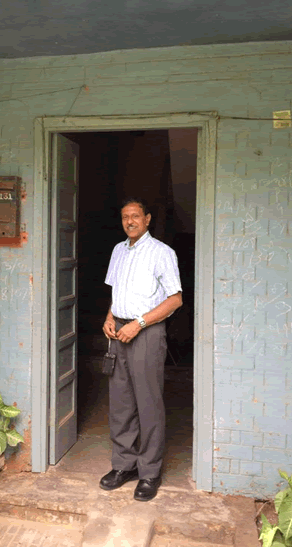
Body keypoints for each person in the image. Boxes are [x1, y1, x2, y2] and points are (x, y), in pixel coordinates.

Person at [100, 197, 182, 501]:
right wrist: (110, 317)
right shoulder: (118, 251)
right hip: (119, 330)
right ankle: (124, 465)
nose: (130, 221)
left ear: (147, 219)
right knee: (121, 402)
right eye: (125, 217)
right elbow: (116, 291)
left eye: (135, 216)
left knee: (148, 402)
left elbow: (175, 299)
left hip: (145, 332)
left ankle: (149, 472)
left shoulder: (162, 253)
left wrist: (139, 323)